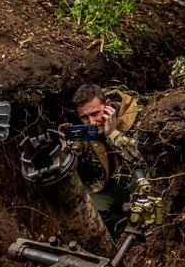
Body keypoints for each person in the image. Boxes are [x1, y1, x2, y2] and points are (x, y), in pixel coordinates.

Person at [59, 84, 144, 239]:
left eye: (95, 114)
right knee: (90, 211)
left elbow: (142, 157)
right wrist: (66, 148)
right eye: (84, 117)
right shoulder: (87, 130)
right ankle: (126, 235)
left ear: (108, 105)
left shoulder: (133, 117)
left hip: (139, 183)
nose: (91, 122)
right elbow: (80, 161)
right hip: (110, 188)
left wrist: (113, 134)